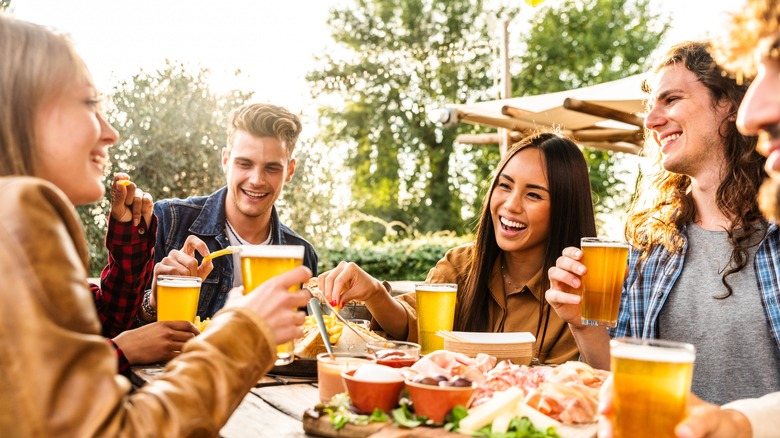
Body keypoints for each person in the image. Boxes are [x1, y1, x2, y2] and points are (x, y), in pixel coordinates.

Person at [0, 13, 311, 435]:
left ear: (288, 171)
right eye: (90, 105)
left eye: (271, 168)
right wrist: (246, 331)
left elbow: (79, 346)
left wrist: (129, 258)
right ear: (25, 111)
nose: (109, 133)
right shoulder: (22, 211)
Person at [546, 40, 780, 405]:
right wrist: (583, 325)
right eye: (651, 105)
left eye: (671, 100)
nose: (651, 120)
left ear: (728, 104)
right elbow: (622, 385)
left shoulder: (776, 235)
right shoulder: (652, 246)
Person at [318, 132, 597, 364]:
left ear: (564, 208)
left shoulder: (575, 290)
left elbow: (583, 379)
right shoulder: (461, 264)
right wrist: (375, 292)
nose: (510, 205)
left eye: (533, 195)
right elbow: (415, 325)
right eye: (504, 186)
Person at [138, 102, 318, 323]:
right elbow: (124, 324)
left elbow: (301, 338)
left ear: (289, 171)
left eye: (272, 168)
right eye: (244, 164)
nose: (257, 180)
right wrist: (155, 302)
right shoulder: (169, 220)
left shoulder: (302, 253)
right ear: (226, 161)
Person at [92, 173, 201, 372]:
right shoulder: (172, 215)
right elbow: (44, 372)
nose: (112, 139)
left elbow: (108, 322)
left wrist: (128, 230)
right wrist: (123, 348)